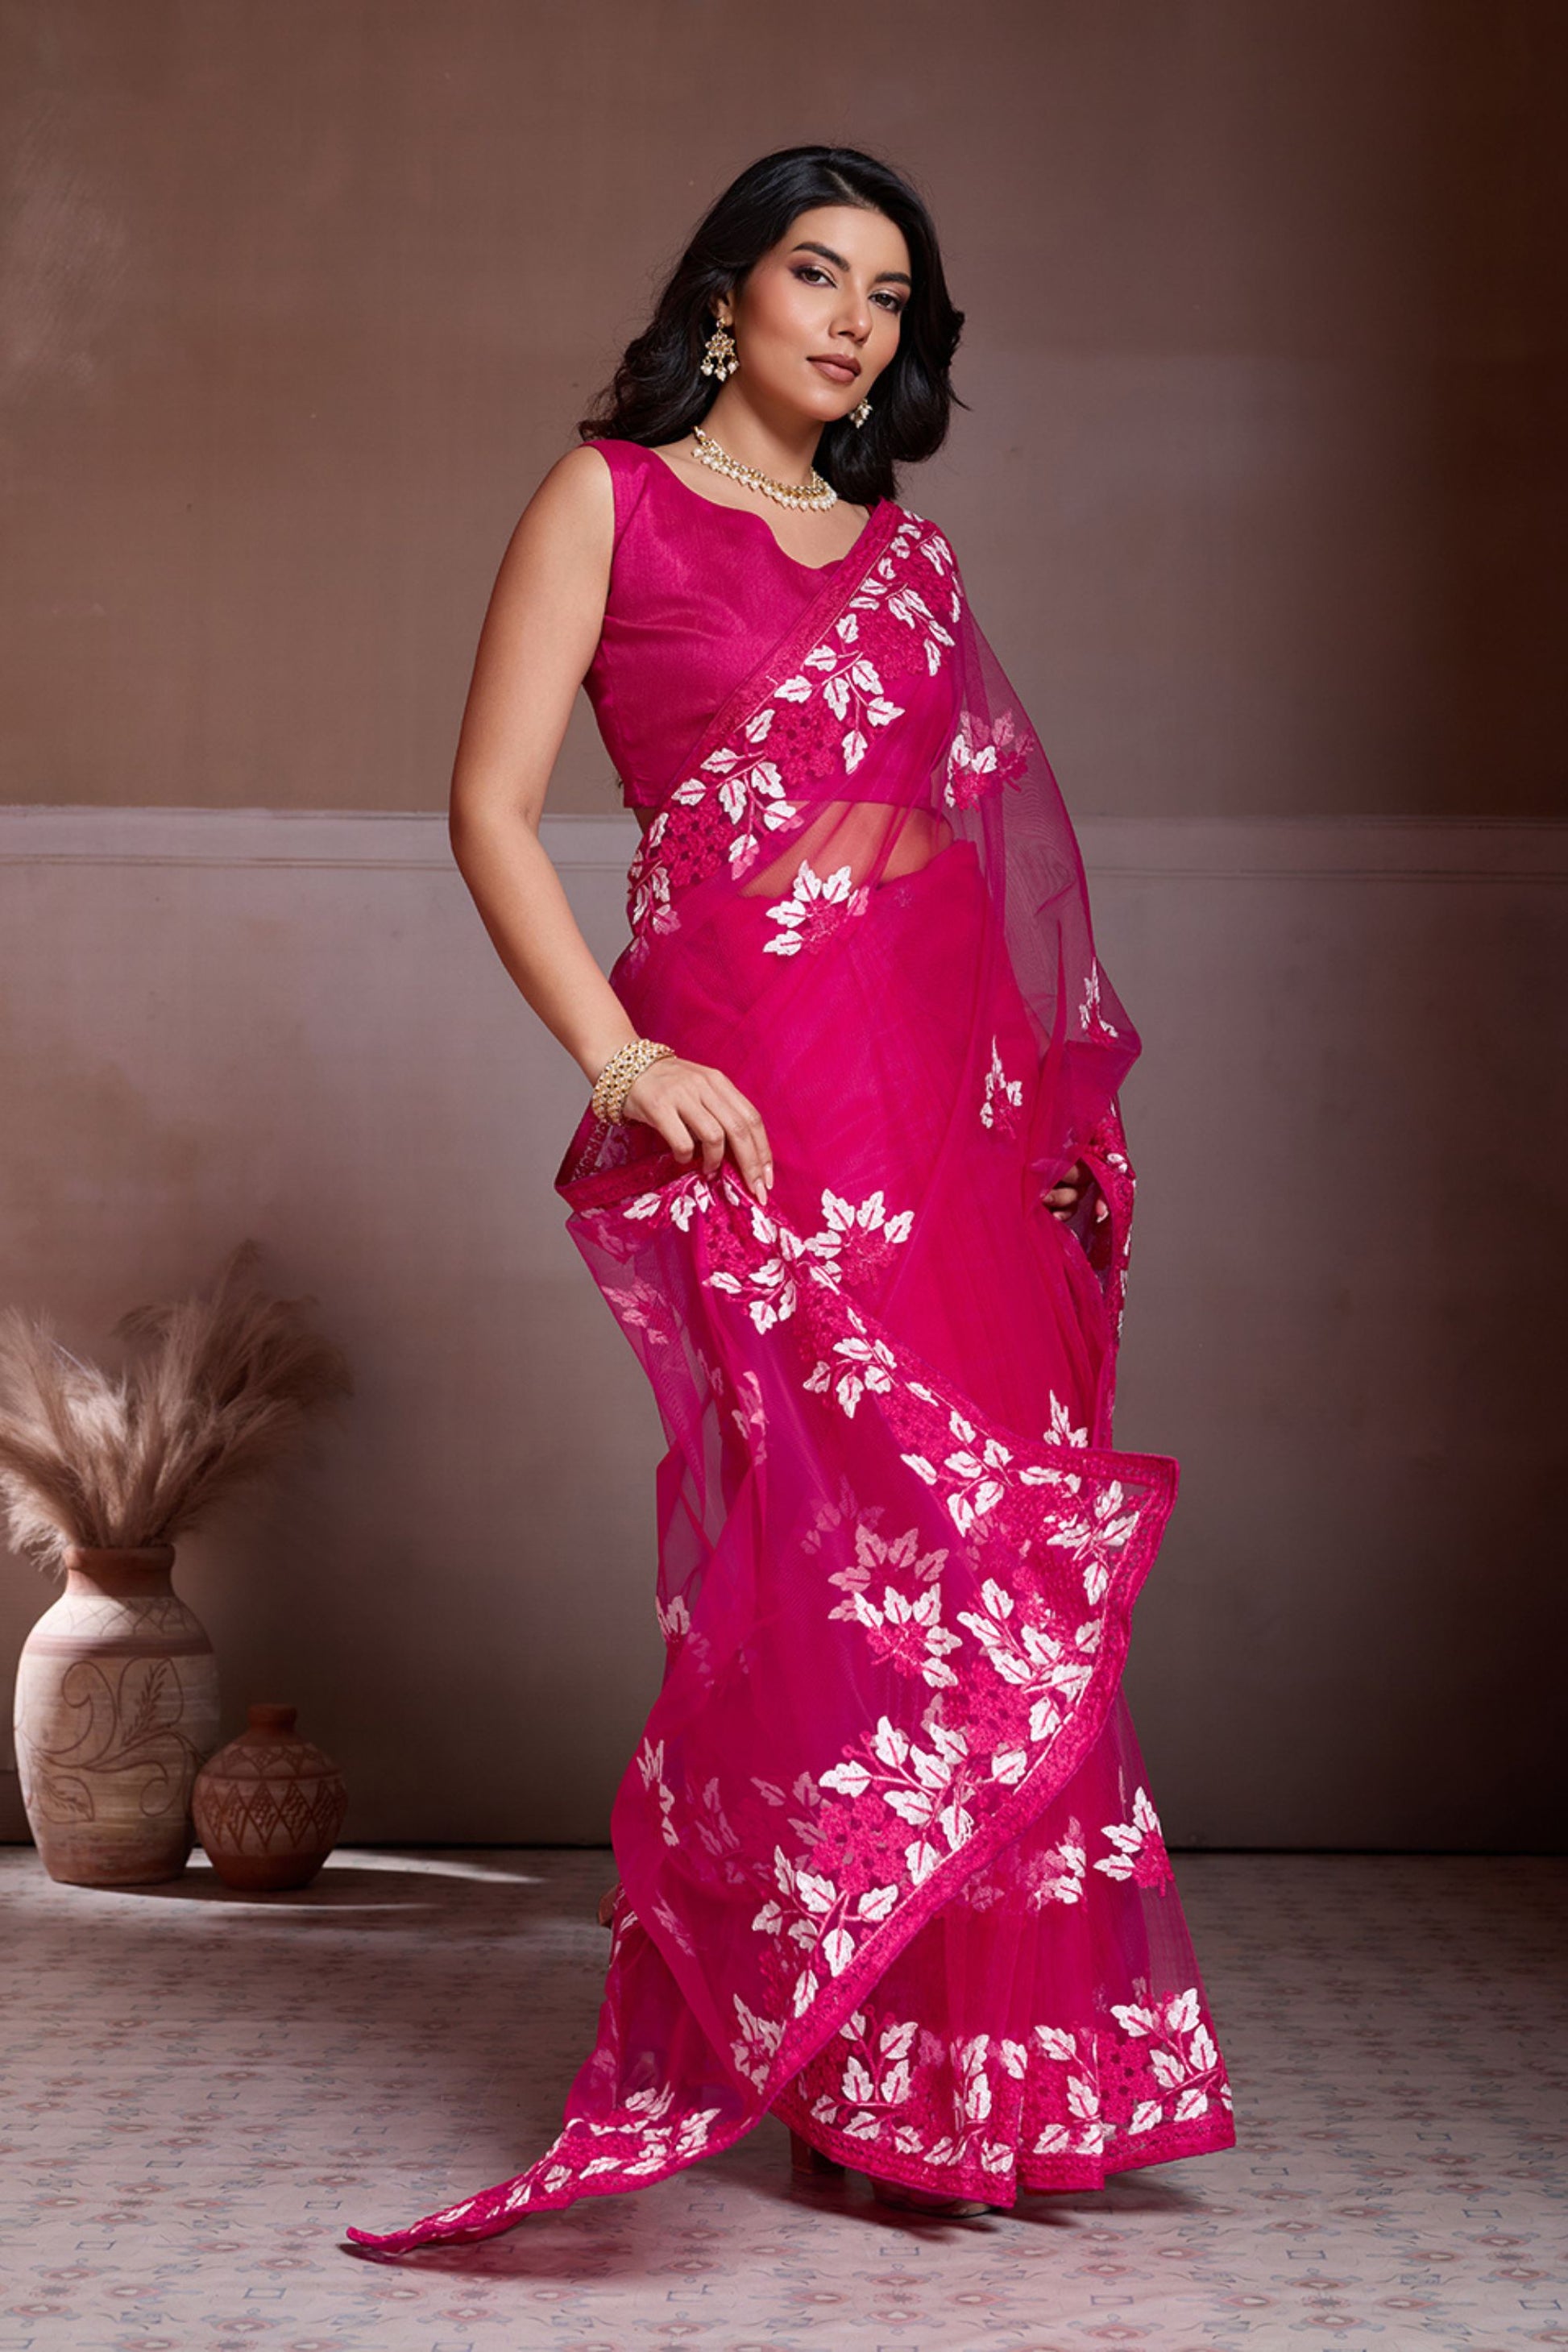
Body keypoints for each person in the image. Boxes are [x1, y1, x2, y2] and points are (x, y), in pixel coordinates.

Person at [347, 143, 1234, 2254]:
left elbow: (967, 848)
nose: (850, 321)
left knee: (980, 1556)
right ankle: (834, 2052)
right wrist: (622, 1059)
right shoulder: (607, 499)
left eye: (888, 297)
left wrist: (1045, 1125)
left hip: (944, 1107)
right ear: (724, 296)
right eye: (816, 273)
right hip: (748, 1095)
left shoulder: (910, 562)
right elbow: (486, 808)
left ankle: (976, 2074)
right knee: (824, 1560)